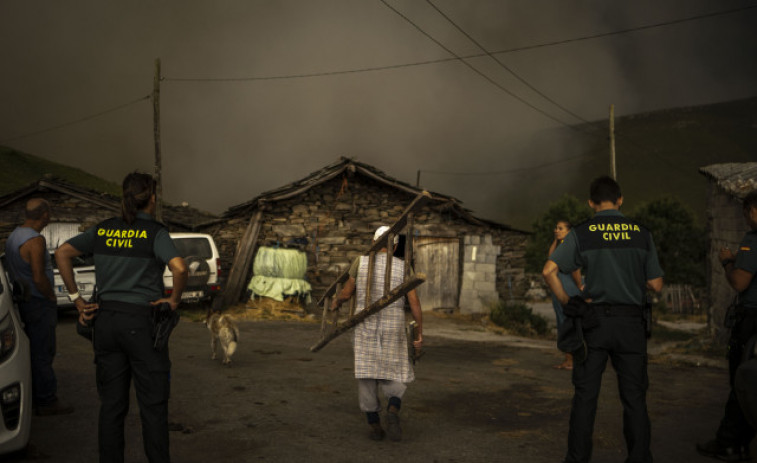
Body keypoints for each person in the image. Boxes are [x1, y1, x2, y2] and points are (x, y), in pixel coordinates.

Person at [55, 172, 187, 463]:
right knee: (152, 406)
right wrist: (174, 300)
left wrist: (76, 299)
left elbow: (62, 252)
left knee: (112, 406)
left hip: (105, 323)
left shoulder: (103, 230)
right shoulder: (155, 233)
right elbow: (179, 268)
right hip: (142, 325)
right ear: (151, 198)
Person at [542, 176, 664, 463]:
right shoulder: (641, 233)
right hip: (631, 324)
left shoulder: (583, 232)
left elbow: (549, 270)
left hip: (593, 322)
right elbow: (656, 284)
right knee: (634, 398)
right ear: (620, 199)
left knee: (585, 397)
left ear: (591, 203)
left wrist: (568, 301)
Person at [330, 225, 423, 442]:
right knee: (396, 371)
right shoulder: (403, 266)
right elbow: (415, 303)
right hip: (393, 326)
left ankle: (374, 425)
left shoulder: (360, 262)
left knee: (367, 375)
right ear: (395, 245)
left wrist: (337, 301)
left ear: (374, 242)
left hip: (365, 326)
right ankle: (392, 408)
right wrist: (420, 333)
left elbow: (346, 292)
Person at [696, 190, 757, 462]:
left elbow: (739, 282)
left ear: (752, 210)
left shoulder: (752, 241)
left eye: (746, 212)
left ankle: (730, 442)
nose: (746, 217)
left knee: (741, 380)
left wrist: (727, 262)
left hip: (752, 320)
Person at [4, 198, 74, 416]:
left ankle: (34, 396)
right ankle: (46, 400)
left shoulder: (14, 236)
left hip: (24, 300)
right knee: (43, 351)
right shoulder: (35, 240)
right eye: (49, 212)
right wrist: (51, 296)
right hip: (38, 301)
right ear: (44, 215)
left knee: (34, 349)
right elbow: (38, 275)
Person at [548, 219, 583, 370]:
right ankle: (569, 359)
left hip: (567, 286)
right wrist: (556, 241)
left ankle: (573, 360)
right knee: (563, 321)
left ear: (569, 232)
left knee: (569, 321)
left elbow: (575, 269)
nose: (556, 230)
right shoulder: (560, 246)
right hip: (558, 285)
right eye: (556, 227)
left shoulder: (571, 247)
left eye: (560, 228)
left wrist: (579, 285)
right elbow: (550, 259)